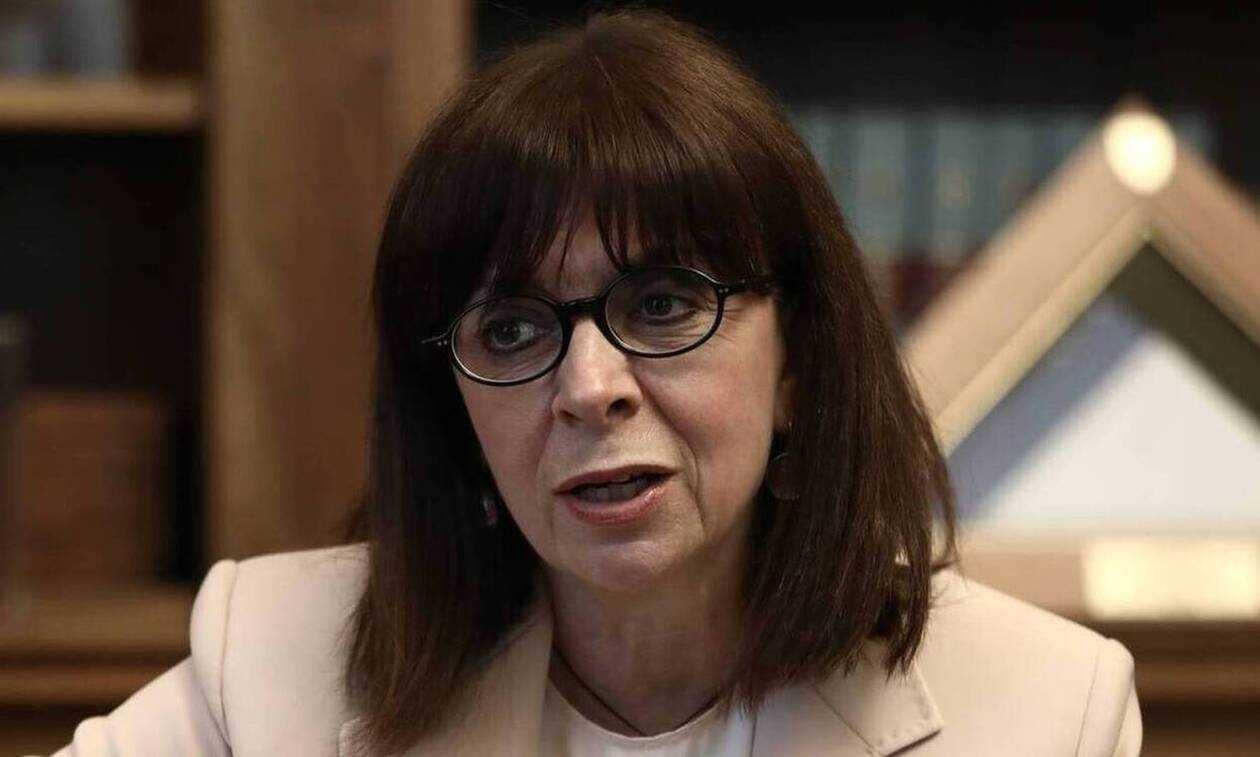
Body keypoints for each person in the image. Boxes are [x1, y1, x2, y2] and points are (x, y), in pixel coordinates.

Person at [56, 7, 1141, 756]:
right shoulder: (270, 662)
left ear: (801, 366)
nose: (588, 386)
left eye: (661, 306)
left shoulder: (1047, 711)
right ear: (455, 408)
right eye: (511, 328)